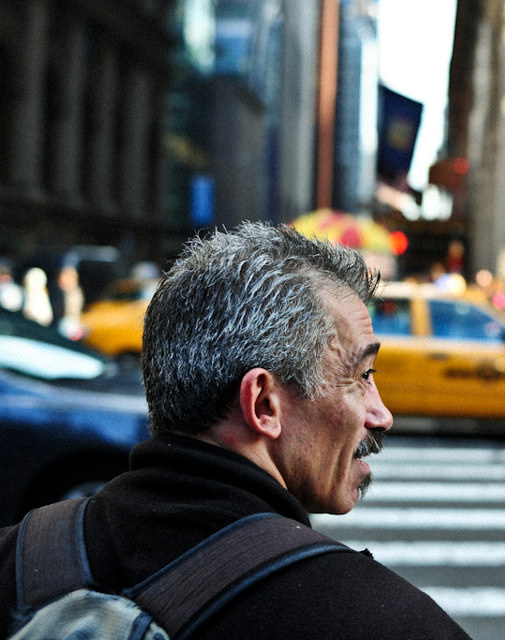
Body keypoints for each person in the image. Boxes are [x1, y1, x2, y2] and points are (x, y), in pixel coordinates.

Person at [0, 223, 472, 639]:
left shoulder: (16, 558)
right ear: (264, 404)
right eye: (362, 376)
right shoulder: (377, 620)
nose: (380, 414)